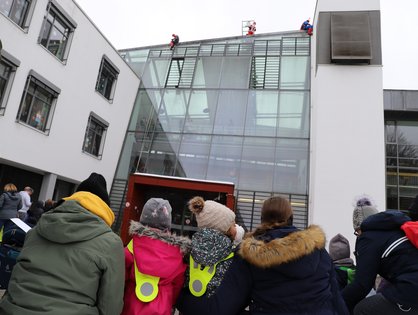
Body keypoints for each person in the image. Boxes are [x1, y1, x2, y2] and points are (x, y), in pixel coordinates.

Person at [177, 196, 348, 315]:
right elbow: (337, 299)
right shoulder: (318, 250)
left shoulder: (249, 255)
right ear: (291, 219)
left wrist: (178, 296)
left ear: (262, 220)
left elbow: (220, 309)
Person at [0, 172, 125, 315]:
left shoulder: (36, 230)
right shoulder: (110, 243)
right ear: (104, 209)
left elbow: (16, 277)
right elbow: (110, 305)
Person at [121, 197, 191, 315]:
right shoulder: (177, 254)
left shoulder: (132, 247)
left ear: (143, 219)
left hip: (130, 308)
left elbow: (120, 278)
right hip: (162, 309)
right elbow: (177, 286)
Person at [342, 208, 418, 314]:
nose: (358, 235)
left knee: (362, 309)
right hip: (410, 286)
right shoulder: (396, 231)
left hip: (411, 290)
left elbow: (361, 285)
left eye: (356, 232)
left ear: (360, 228)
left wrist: (337, 302)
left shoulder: (368, 238)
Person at [186, 196, 242, 299]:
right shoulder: (229, 252)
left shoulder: (189, 248)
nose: (236, 227)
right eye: (233, 225)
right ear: (223, 227)